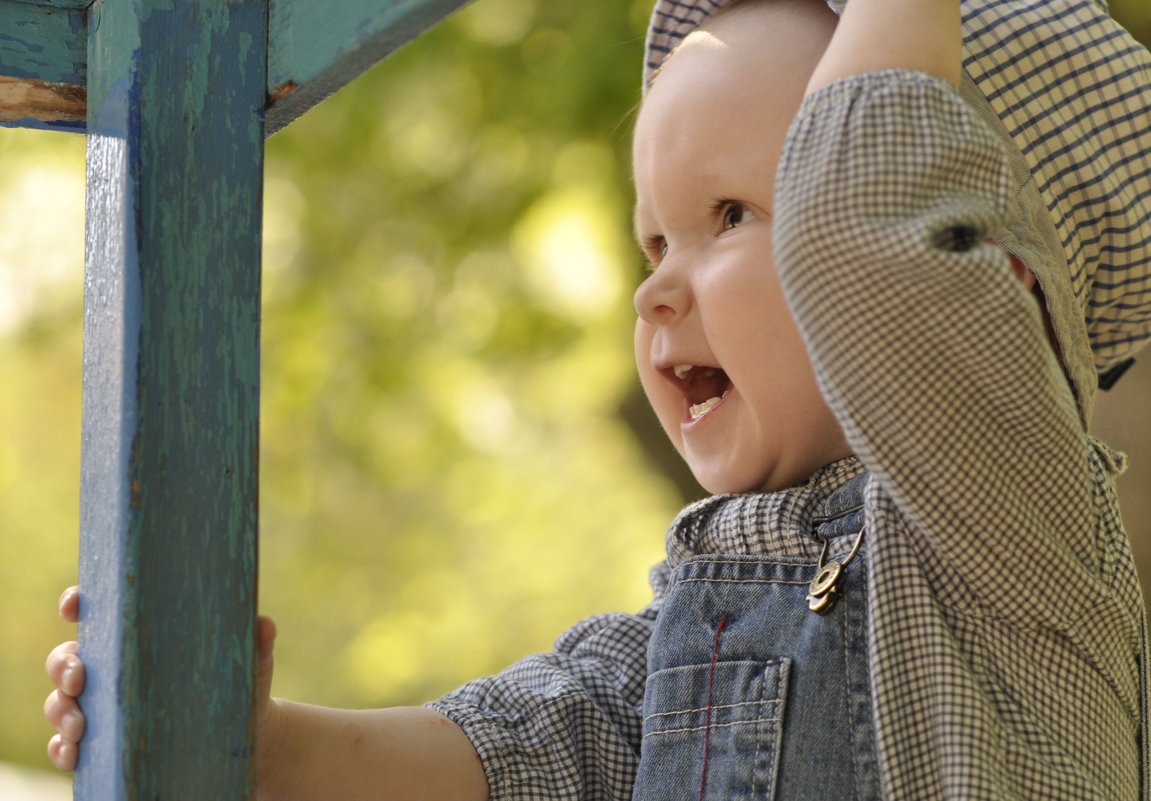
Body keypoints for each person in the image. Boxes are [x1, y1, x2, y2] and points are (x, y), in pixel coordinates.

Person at [45, 0, 1151, 797]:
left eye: (728, 215)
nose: (657, 284)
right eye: (652, 237)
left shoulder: (999, 522)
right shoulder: (692, 631)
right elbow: (523, 749)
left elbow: (868, 228)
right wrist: (270, 751)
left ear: (995, 274)